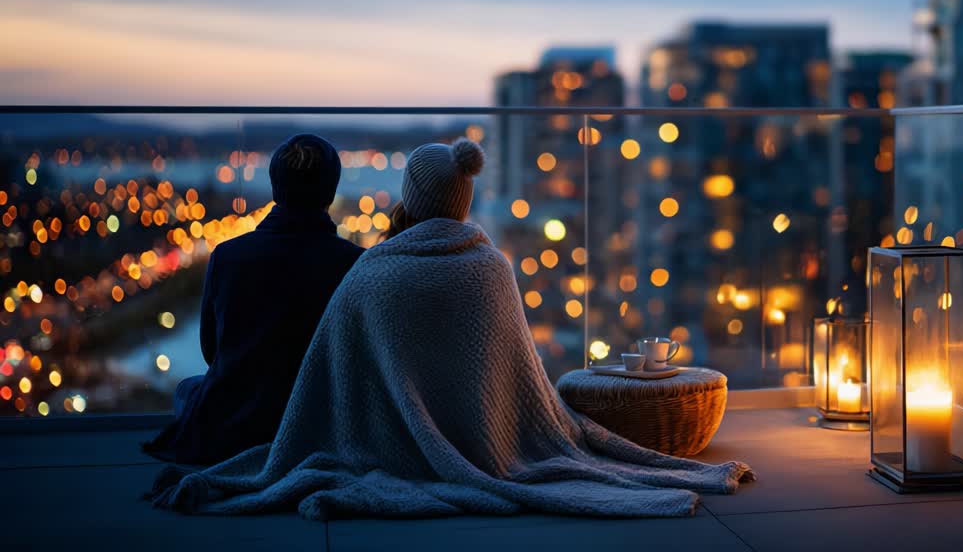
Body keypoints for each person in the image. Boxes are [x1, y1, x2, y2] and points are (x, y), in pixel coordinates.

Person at [151, 138, 752, 519]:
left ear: (409, 197)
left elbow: (336, 373)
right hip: (485, 441)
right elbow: (519, 379)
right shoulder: (493, 269)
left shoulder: (369, 273)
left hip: (339, 438)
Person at [144, 134, 363, 464]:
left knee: (187, 390)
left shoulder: (227, 256)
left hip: (236, 428)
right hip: (320, 426)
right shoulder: (356, 263)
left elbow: (211, 352)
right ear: (330, 192)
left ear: (276, 189)